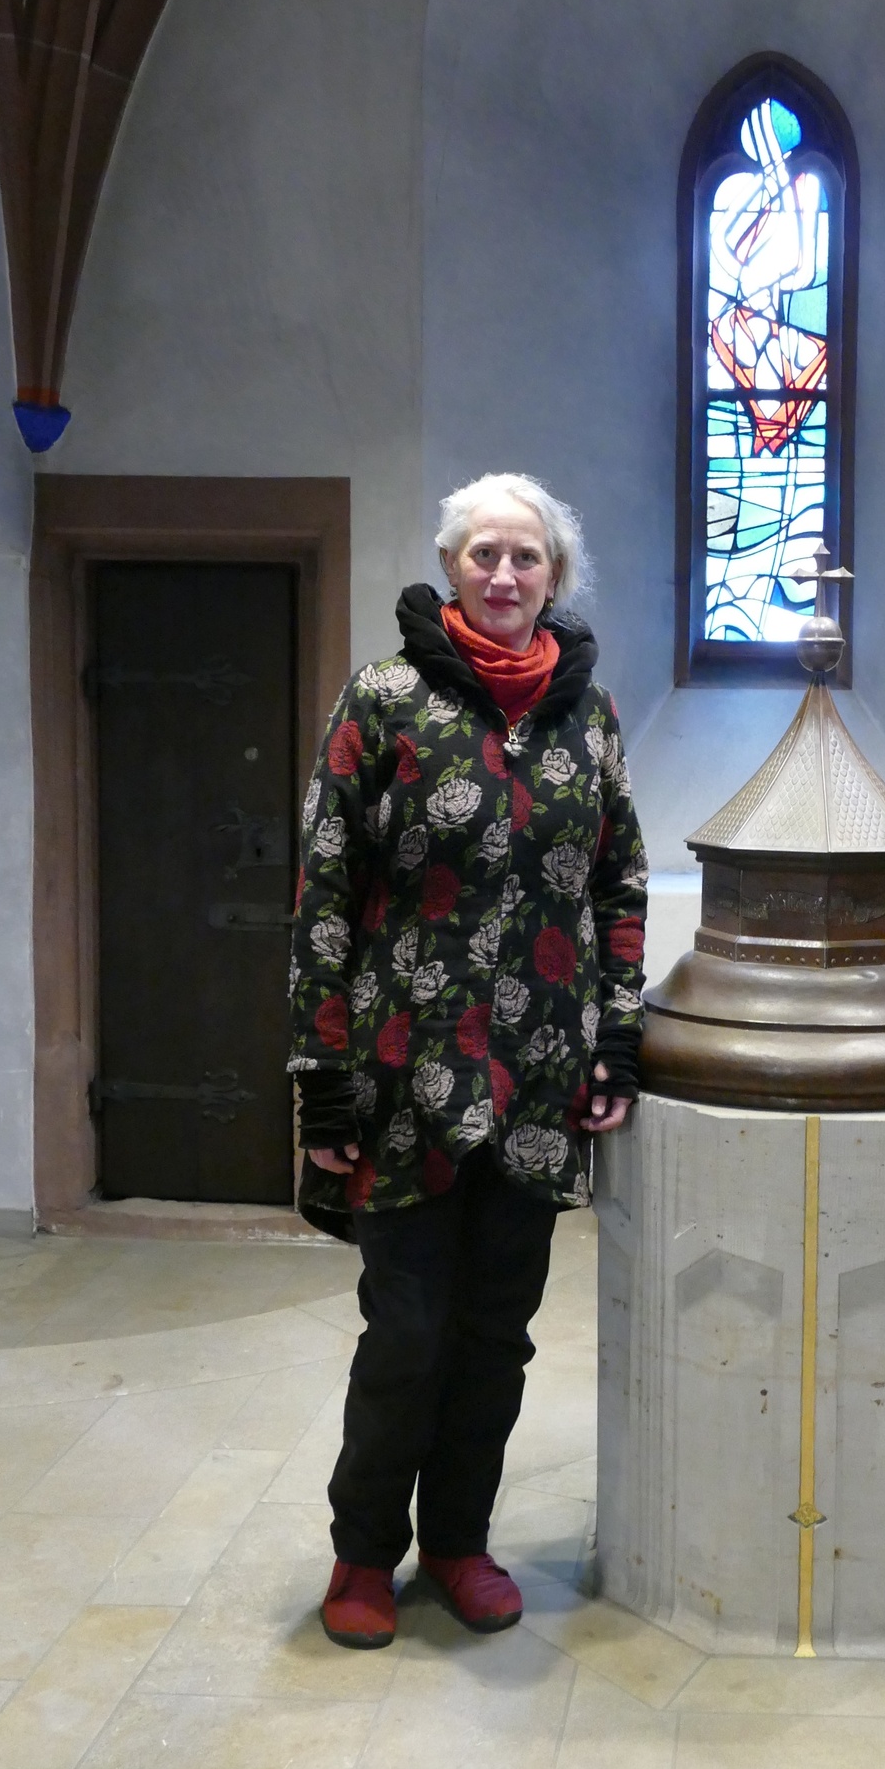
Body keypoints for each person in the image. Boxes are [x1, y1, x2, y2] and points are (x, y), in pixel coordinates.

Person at [288, 471, 648, 1649]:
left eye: (526, 558)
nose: (504, 575)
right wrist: (320, 1075)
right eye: (484, 554)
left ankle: (457, 1541)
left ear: (555, 575)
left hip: (539, 1079)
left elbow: (618, 882)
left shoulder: (586, 715)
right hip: (402, 1079)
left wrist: (616, 1032)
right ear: (451, 566)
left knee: (497, 1334)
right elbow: (324, 892)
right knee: (408, 1332)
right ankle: (360, 1557)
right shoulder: (384, 701)